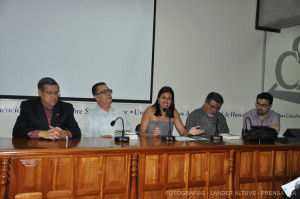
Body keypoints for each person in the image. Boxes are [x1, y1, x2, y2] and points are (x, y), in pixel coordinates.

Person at [13, 77, 81, 139]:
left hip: (58, 148)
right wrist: (40, 133)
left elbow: (76, 131)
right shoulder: (28, 106)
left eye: (56, 93)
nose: (54, 96)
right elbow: (17, 131)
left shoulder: (66, 107)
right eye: (50, 93)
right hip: (34, 148)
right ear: (40, 92)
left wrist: (65, 133)